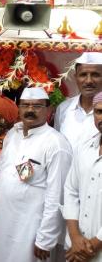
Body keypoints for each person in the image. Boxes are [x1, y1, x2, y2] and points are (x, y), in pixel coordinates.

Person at [0, 87, 73, 262]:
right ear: (19, 108)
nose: (30, 110)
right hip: (3, 221)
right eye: (25, 105)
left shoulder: (56, 144)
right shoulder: (12, 134)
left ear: (49, 111)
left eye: (37, 106)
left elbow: (57, 195)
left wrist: (46, 238)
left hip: (30, 229)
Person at [63, 91, 102, 262]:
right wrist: (75, 237)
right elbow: (71, 190)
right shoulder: (85, 146)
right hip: (76, 247)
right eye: (99, 111)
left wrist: (94, 243)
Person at [54, 52, 102, 150]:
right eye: (83, 75)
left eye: (95, 75)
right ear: (76, 77)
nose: (88, 81)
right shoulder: (63, 108)